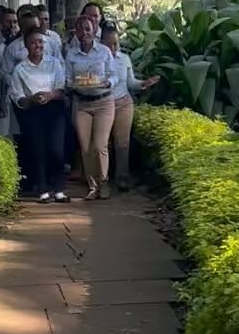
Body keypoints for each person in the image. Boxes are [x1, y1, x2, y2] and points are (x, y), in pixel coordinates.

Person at [9, 28, 69, 201]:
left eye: (41, 42)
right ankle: (42, 188)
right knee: (38, 150)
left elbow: (62, 88)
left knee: (56, 149)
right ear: (26, 46)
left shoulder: (54, 63)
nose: (38, 45)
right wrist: (32, 99)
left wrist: (50, 95)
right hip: (33, 111)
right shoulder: (20, 69)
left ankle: (58, 189)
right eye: (34, 42)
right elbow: (17, 97)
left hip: (54, 109)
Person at [101, 23, 159, 190]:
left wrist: (144, 84)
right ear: (101, 42)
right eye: (108, 43)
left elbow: (131, 83)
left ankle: (122, 178)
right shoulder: (97, 58)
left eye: (115, 43)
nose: (112, 47)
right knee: (102, 144)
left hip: (123, 103)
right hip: (103, 104)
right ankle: (100, 178)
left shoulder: (124, 59)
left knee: (122, 143)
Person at [65, 14, 115, 198]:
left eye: (88, 29)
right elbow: (68, 78)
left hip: (103, 102)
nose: (84, 33)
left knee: (100, 145)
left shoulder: (104, 51)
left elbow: (113, 75)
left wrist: (108, 83)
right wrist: (70, 85)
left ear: (94, 30)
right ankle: (92, 186)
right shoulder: (71, 54)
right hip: (81, 103)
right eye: (80, 29)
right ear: (75, 32)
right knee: (85, 147)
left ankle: (104, 181)